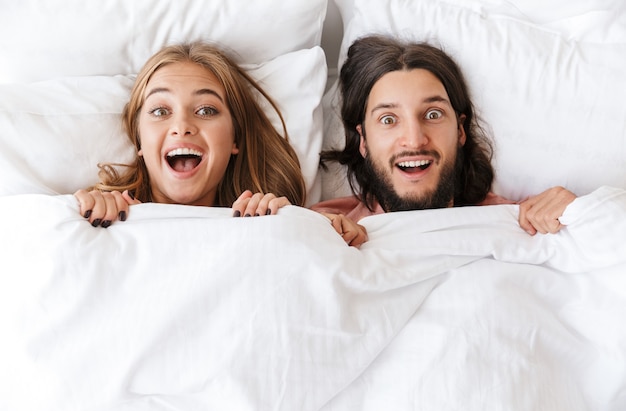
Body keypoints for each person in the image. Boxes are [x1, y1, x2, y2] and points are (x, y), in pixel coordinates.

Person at [313, 35, 576, 245]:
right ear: (364, 142)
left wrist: (578, 212)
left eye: (433, 114)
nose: (415, 141)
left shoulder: (522, 221)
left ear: (460, 131)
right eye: (388, 119)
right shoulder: (324, 225)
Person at [75, 41, 307, 228]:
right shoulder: (99, 213)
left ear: (235, 137)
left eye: (206, 110)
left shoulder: (268, 220)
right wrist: (84, 211)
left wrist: (294, 223)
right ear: (139, 140)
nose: (182, 126)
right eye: (160, 111)